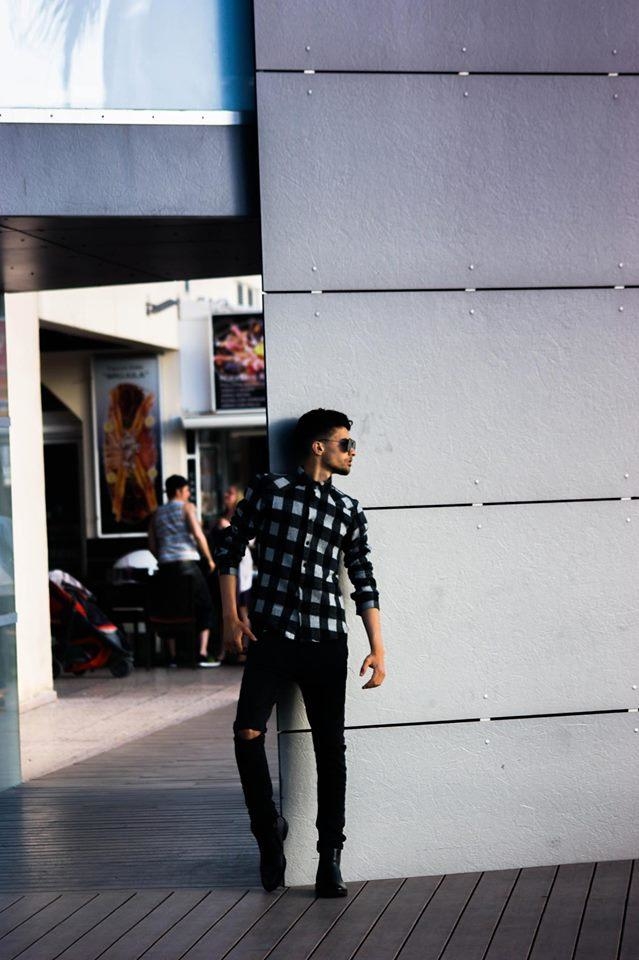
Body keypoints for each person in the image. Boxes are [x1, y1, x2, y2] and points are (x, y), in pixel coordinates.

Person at [214, 409, 385, 897]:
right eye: (346, 444)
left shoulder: (348, 511)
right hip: (271, 637)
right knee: (247, 732)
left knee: (331, 749)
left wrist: (378, 648)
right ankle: (267, 830)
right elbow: (230, 549)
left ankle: (330, 858)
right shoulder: (269, 491)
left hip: (327, 642)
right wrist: (230, 618)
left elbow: (363, 581)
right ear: (318, 446)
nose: (353, 452)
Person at [148, 475, 219, 667]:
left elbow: (152, 544)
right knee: (205, 605)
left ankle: (172, 657)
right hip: (187, 564)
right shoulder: (187, 507)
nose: (189, 494)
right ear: (179, 491)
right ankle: (202, 653)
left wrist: (163, 557)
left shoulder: (157, 513)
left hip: (165, 567)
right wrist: (209, 559)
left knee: (170, 608)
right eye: (187, 490)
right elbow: (198, 534)